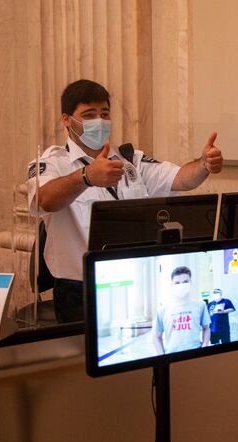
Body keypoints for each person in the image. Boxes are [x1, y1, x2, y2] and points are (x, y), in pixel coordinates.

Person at [26, 79, 223, 322]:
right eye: (89, 114)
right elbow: (44, 199)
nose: (99, 121)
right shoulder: (52, 163)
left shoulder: (130, 159)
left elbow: (181, 179)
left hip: (135, 282)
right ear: (66, 119)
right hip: (79, 290)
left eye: (104, 113)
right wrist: (86, 177)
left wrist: (204, 164)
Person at [153, 266, 210, 354]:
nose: (181, 285)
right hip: (171, 355)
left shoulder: (200, 305)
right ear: (171, 285)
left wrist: (204, 348)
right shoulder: (162, 309)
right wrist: (162, 357)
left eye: (185, 282)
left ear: (191, 283)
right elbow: (157, 336)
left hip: (196, 353)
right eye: (177, 282)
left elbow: (206, 328)